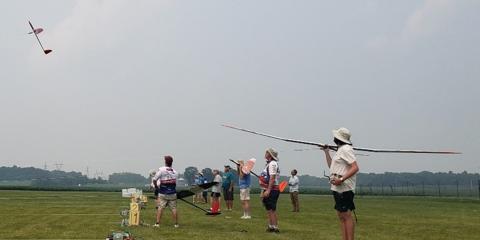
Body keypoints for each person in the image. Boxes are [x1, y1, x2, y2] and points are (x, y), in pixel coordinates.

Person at [322, 128, 359, 240]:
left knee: (346, 216)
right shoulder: (340, 150)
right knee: (341, 216)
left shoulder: (346, 149)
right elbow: (331, 167)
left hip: (345, 188)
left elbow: (355, 167)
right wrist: (326, 151)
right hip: (337, 188)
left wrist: (341, 179)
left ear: (338, 138)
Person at [152, 155, 179, 228]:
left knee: (160, 208)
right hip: (173, 193)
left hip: (163, 193)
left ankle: (157, 223)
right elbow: (175, 183)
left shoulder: (161, 170)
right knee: (174, 208)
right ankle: (176, 224)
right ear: (171, 163)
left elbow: (154, 180)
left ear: (165, 162)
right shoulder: (175, 172)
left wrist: (156, 187)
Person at [260, 148, 280, 233]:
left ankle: (275, 227)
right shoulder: (269, 164)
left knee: (272, 209)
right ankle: (271, 226)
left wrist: (268, 190)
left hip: (272, 189)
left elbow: (272, 178)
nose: (265, 153)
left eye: (267, 152)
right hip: (268, 188)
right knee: (269, 209)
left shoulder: (272, 164)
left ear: (270, 155)